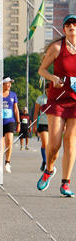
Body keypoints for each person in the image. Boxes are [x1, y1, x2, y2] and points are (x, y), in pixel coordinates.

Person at [37, 15, 76, 197]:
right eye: (68, 24)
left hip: (75, 101)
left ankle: (66, 183)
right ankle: (49, 169)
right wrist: (53, 78)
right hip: (58, 99)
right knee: (54, 144)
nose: (72, 26)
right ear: (64, 28)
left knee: (70, 140)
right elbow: (42, 69)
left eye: (75, 24)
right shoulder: (56, 48)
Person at [0, 78, 19, 173]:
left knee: (9, 141)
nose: (9, 85)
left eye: (10, 83)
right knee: (0, 144)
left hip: (10, 121)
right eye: (7, 83)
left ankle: (7, 162)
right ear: (2, 84)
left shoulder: (13, 95)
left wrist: (18, 122)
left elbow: (16, 109)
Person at [33, 82, 51, 172]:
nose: (49, 92)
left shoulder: (55, 99)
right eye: (47, 90)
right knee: (45, 143)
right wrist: (35, 125)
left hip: (53, 124)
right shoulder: (40, 99)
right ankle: (45, 161)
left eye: (51, 90)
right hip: (43, 124)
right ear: (45, 90)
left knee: (52, 145)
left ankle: (49, 162)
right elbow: (36, 112)